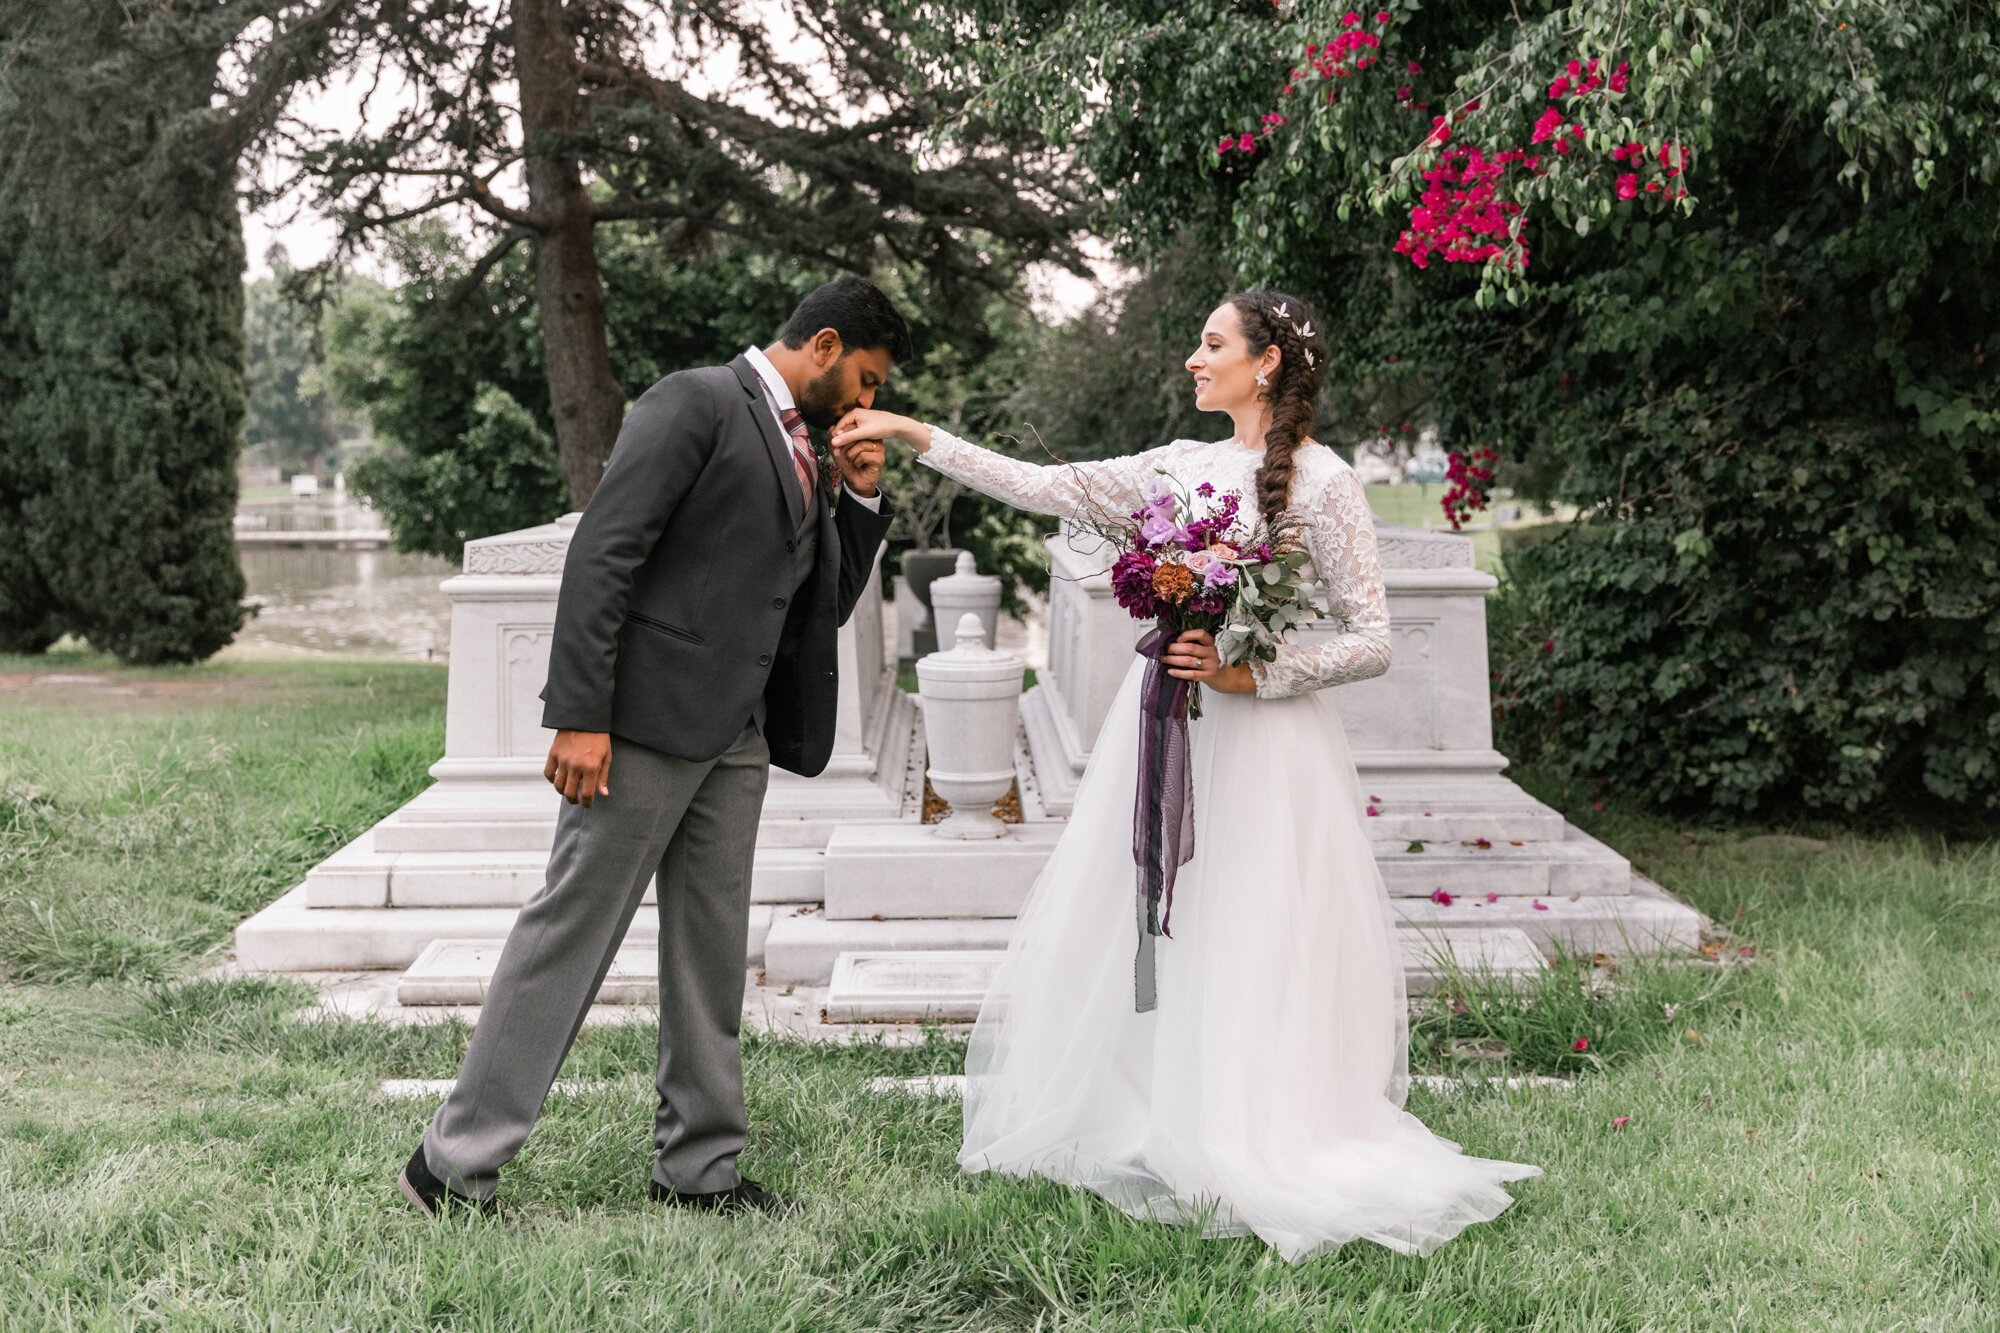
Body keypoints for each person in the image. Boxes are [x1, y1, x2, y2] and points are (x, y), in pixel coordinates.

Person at [829, 290, 1542, 1261]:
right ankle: (1154, 1102)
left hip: (1264, 741)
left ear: (1268, 364)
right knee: (1157, 907)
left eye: (1211, 345)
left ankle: (1254, 1115)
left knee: (1248, 917)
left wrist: (1256, 669)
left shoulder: (1325, 484)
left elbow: (1370, 637)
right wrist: (917, 434)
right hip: (1161, 721)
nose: (1192, 361)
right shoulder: (1176, 465)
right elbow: (1043, 485)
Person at [397, 275, 904, 1218]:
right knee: (569, 937)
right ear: (825, 346)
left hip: (736, 741)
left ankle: (698, 1170)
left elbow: (812, 611)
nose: (868, 403)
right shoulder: (697, 401)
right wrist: (583, 716)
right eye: (867, 380)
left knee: (711, 956)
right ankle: (451, 1165)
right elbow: (604, 551)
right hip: (637, 730)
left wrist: (862, 505)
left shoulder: (815, 454)